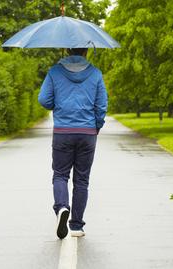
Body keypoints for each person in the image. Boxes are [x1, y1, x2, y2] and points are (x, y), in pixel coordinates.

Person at [38, 48, 108, 239]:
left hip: (63, 131)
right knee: (82, 180)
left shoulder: (55, 72)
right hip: (87, 133)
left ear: (67, 50)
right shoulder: (95, 73)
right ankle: (76, 226)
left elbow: (44, 99)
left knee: (60, 175)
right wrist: (96, 127)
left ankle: (62, 207)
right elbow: (101, 106)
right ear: (86, 51)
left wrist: (58, 102)